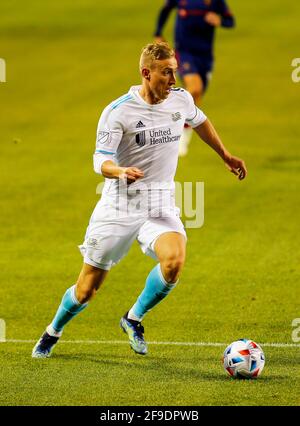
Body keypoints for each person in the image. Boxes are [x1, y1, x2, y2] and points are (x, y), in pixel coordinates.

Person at [32, 42, 247, 358]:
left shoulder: (180, 100)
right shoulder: (118, 112)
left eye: (175, 71)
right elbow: (100, 161)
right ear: (147, 73)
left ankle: (133, 318)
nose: (173, 79)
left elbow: (200, 121)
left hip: (159, 203)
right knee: (86, 289)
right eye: (166, 73)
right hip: (119, 205)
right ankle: (53, 331)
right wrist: (119, 170)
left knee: (174, 261)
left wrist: (225, 155)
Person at [154, 0, 235, 156]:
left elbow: (230, 21)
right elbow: (165, 9)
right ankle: (176, 135)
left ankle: (182, 132)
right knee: (194, 89)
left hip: (205, 57)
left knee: (196, 97)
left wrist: (220, 21)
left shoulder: (215, 2)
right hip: (184, 53)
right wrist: (158, 33)